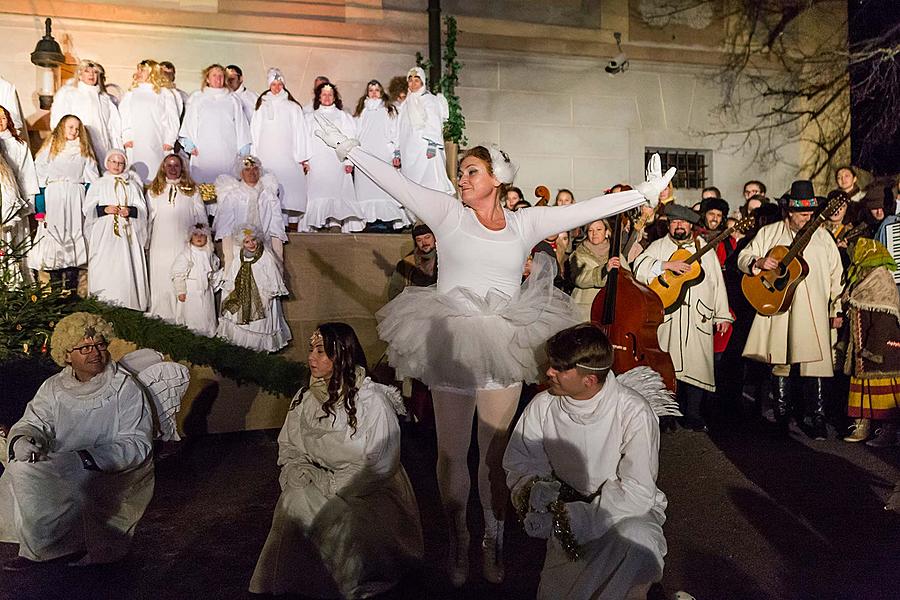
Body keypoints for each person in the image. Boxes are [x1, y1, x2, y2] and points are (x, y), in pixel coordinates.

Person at [314, 115, 673, 586]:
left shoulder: (525, 222)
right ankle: (459, 536)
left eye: (471, 172)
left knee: (495, 454)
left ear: (498, 180)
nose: (461, 178)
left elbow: (583, 210)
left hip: (505, 342)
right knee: (449, 455)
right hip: (451, 344)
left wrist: (640, 196)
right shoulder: (447, 214)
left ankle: (494, 536)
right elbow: (398, 182)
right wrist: (351, 151)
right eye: (460, 172)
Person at [249, 323, 423, 597]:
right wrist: (299, 470)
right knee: (293, 498)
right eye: (311, 351)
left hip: (368, 491)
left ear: (342, 355)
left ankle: (352, 580)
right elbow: (290, 445)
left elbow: (380, 464)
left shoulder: (371, 400)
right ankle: (300, 583)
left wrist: (332, 485)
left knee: (336, 516)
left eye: (321, 352)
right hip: (321, 481)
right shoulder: (305, 399)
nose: (311, 359)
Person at [503, 324, 668, 600]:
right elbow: (520, 460)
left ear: (589, 380)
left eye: (559, 368)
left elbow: (638, 491)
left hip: (624, 511)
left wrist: (577, 520)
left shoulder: (634, 411)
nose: (548, 372)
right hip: (567, 505)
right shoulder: (542, 406)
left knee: (637, 540)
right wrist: (537, 491)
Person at [0, 312, 153, 570]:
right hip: (60, 459)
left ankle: (61, 549)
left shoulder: (124, 388)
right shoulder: (54, 387)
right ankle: (44, 549)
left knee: (62, 479)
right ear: (67, 354)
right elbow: (34, 421)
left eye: (100, 345)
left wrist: (87, 458)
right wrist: (23, 440)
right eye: (84, 348)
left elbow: (138, 443)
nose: (95, 353)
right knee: (21, 467)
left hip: (106, 467)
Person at [737, 180, 843, 439]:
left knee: (814, 363)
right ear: (789, 212)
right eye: (802, 214)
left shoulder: (822, 237)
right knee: (780, 360)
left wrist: (836, 309)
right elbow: (743, 257)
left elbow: (836, 275)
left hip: (813, 308)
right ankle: (782, 416)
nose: (808, 218)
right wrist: (758, 261)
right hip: (779, 304)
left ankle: (816, 417)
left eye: (811, 213)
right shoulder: (770, 233)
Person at [634, 204, 732, 431]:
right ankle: (666, 415)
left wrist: (722, 314)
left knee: (696, 366)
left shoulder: (704, 248)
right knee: (666, 368)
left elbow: (717, 282)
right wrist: (665, 265)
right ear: (669, 224)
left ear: (691, 225)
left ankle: (693, 415)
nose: (679, 226)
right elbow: (639, 268)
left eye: (683, 222)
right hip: (668, 317)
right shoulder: (658, 246)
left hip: (699, 315)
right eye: (675, 222)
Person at [28, 115, 99, 292]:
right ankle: (54, 287)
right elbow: (40, 181)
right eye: (70, 127)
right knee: (55, 237)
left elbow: (91, 180)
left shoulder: (84, 151)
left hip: (75, 198)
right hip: (54, 197)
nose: (74, 131)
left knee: (74, 237)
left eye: (77, 128)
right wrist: (40, 208)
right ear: (61, 127)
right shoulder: (49, 150)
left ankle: (72, 288)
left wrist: (88, 206)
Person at [841, 240, 900, 446]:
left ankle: (888, 431)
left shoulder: (881, 279)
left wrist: (874, 347)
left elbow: (886, 318)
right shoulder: (861, 277)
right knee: (862, 387)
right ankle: (862, 425)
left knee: (882, 389)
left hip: (879, 346)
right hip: (861, 344)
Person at [84, 149, 150, 311]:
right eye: (113, 161)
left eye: (120, 162)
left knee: (127, 266)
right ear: (107, 163)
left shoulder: (132, 185)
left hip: (127, 233)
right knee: (105, 265)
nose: (116, 165)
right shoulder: (98, 184)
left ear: (125, 165)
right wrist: (104, 209)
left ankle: (129, 303)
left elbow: (142, 209)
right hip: (105, 232)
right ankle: (103, 300)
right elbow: (88, 208)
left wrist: (130, 211)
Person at [146, 153, 207, 321]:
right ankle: (162, 312)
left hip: (184, 240)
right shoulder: (154, 190)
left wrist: (202, 237)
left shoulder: (191, 190)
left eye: (176, 165)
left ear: (182, 168)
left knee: (181, 274)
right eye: (169, 165)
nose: (173, 169)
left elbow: (200, 216)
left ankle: (182, 314)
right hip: (161, 240)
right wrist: (146, 240)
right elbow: (149, 217)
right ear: (163, 168)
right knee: (162, 273)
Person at [250, 68, 310, 233]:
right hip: (266, 156)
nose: (276, 87)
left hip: (287, 154)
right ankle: (269, 224)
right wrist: (254, 155)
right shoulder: (261, 106)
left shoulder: (293, 107)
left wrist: (302, 157)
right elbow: (255, 132)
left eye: (279, 84)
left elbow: (300, 132)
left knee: (288, 189)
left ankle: (289, 225)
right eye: (273, 84)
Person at [217, 225, 291, 352]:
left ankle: (258, 347)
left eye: (253, 240)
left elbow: (272, 275)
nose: (251, 244)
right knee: (239, 316)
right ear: (242, 243)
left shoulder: (266, 256)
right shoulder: (240, 256)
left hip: (261, 293)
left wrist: (268, 294)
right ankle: (242, 346)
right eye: (247, 241)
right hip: (243, 291)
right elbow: (234, 272)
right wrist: (232, 288)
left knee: (259, 322)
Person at [178, 64, 251, 186]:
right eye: (214, 75)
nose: (218, 78)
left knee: (227, 186)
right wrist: (188, 143)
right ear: (207, 79)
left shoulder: (233, 99)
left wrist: (244, 147)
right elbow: (189, 121)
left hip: (228, 150)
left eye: (221, 76)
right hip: (203, 152)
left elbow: (241, 123)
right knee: (204, 186)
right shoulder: (198, 98)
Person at [214, 155, 286, 273]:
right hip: (239, 248)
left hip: (263, 247)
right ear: (241, 173)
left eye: (255, 169)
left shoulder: (269, 196)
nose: (252, 173)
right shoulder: (233, 196)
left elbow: (276, 227)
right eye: (247, 170)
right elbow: (225, 229)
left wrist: (279, 258)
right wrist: (229, 258)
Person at [353, 80, 410, 230]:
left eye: (377, 90)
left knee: (385, 187)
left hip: (383, 154)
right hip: (364, 154)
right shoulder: (361, 111)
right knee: (365, 188)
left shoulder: (389, 110)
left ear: (381, 92)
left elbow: (395, 133)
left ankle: (387, 220)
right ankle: (368, 221)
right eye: (370, 90)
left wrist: (395, 153)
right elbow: (355, 133)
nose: (373, 93)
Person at [306, 83, 362, 232]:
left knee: (336, 190)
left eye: (330, 95)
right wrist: (304, 160)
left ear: (335, 97)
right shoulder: (310, 117)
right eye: (323, 94)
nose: (327, 97)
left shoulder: (343, 116)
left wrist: (349, 161)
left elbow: (351, 138)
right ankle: (317, 221)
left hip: (337, 160)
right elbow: (304, 138)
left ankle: (335, 221)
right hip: (316, 160)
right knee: (317, 190)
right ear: (319, 97)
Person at [50, 60, 122, 167]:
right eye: (87, 71)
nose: (91, 74)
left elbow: (113, 129)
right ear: (79, 74)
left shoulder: (106, 100)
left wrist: (117, 151)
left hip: (103, 148)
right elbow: (58, 121)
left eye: (95, 72)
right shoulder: (69, 94)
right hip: (77, 147)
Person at [118, 60, 180, 183]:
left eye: (143, 70)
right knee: (137, 174)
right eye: (138, 70)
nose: (139, 73)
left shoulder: (165, 93)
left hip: (158, 140)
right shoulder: (132, 93)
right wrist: (126, 135)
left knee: (157, 173)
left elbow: (172, 118)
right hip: (136, 141)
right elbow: (124, 115)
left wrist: (170, 139)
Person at [396, 67, 454, 195]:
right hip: (408, 150)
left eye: (417, 80)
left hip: (425, 148)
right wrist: (397, 150)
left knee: (430, 181)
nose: (413, 83)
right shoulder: (405, 103)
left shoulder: (430, 100)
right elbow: (399, 126)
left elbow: (434, 122)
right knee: (411, 185)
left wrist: (432, 144)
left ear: (422, 81)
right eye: (410, 80)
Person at [171, 222, 222, 336]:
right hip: (191, 289)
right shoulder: (186, 255)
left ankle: (208, 331)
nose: (199, 237)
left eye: (202, 235)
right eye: (195, 235)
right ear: (190, 238)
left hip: (206, 290)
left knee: (206, 312)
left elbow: (212, 271)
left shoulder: (209, 254)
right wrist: (181, 291)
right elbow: (178, 274)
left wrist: (213, 281)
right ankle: (192, 331)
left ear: (207, 238)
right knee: (192, 312)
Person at [569, 218, 616, 322]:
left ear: (606, 232)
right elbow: (579, 279)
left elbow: (628, 277)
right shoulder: (578, 254)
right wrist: (604, 270)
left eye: (599, 229)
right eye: (590, 230)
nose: (594, 233)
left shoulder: (615, 253)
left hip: (610, 309)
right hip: (585, 308)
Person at [0, 105, 39, 206]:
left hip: (14, 194)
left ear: (8, 121)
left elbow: (27, 174)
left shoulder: (19, 145)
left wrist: (29, 201)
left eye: (3, 118)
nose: (0, 121)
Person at [388, 222, 438, 300]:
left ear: (434, 237)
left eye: (427, 237)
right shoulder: (407, 263)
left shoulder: (445, 258)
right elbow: (394, 292)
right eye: (419, 240)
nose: (424, 243)